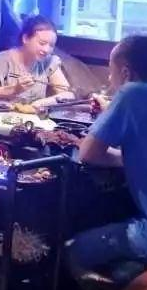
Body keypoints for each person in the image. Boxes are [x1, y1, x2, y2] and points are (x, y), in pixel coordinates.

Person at [68, 36, 147, 290]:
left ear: (125, 72)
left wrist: (123, 160)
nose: (109, 80)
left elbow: (88, 153)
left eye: (111, 73)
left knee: (73, 250)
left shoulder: (132, 92)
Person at [0, 15, 75, 108]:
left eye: (51, 45)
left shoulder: (48, 62)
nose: (46, 50)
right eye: (42, 43)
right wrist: (14, 90)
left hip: (34, 117)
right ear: (25, 38)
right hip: (1, 116)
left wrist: (42, 103)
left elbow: (67, 94)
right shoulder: (4, 59)